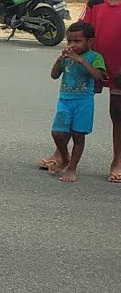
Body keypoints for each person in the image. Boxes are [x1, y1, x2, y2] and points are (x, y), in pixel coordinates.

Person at [66, 0, 121, 182]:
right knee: (72, 106)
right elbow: (80, 31)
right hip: (91, 65)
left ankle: (118, 159)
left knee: (117, 113)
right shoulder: (95, 2)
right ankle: (62, 154)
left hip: (119, 70)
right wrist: (72, 54)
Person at [45, 21, 107, 183]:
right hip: (65, 100)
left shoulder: (94, 57)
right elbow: (54, 75)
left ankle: (72, 168)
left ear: (90, 42)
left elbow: (99, 76)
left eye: (77, 41)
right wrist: (59, 60)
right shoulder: (66, 57)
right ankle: (65, 157)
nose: (72, 45)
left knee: (78, 135)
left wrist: (80, 60)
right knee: (57, 133)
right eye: (69, 41)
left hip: (83, 101)